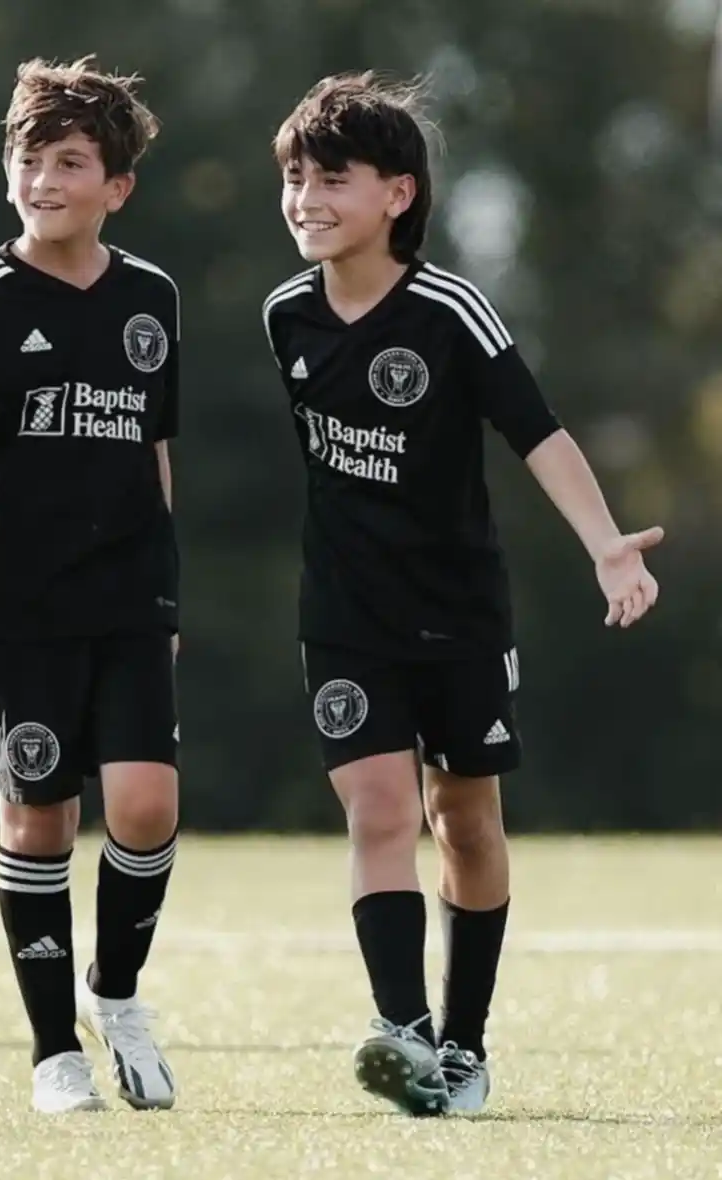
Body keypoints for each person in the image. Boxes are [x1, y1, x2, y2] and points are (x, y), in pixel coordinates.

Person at [262, 71, 662, 1117]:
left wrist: (606, 546)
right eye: (294, 179)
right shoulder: (284, 317)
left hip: (457, 612)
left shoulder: (449, 308)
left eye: (330, 180)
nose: (305, 199)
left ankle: (464, 1043)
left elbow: (536, 430)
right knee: (380, 808)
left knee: (466, 822)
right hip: (341, 615)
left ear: (398, 194)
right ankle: (400, 1029)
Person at [0, 55, 181, 1115]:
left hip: (131, 594)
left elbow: (155, 445)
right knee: (41, 823)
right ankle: (54, 1050)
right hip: (13, 602)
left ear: (118, 186)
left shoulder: (152, 295)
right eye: (29, 157)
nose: (44, 178)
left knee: (147, 807)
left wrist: (168, 585)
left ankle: (118, 994)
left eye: (71, 161)